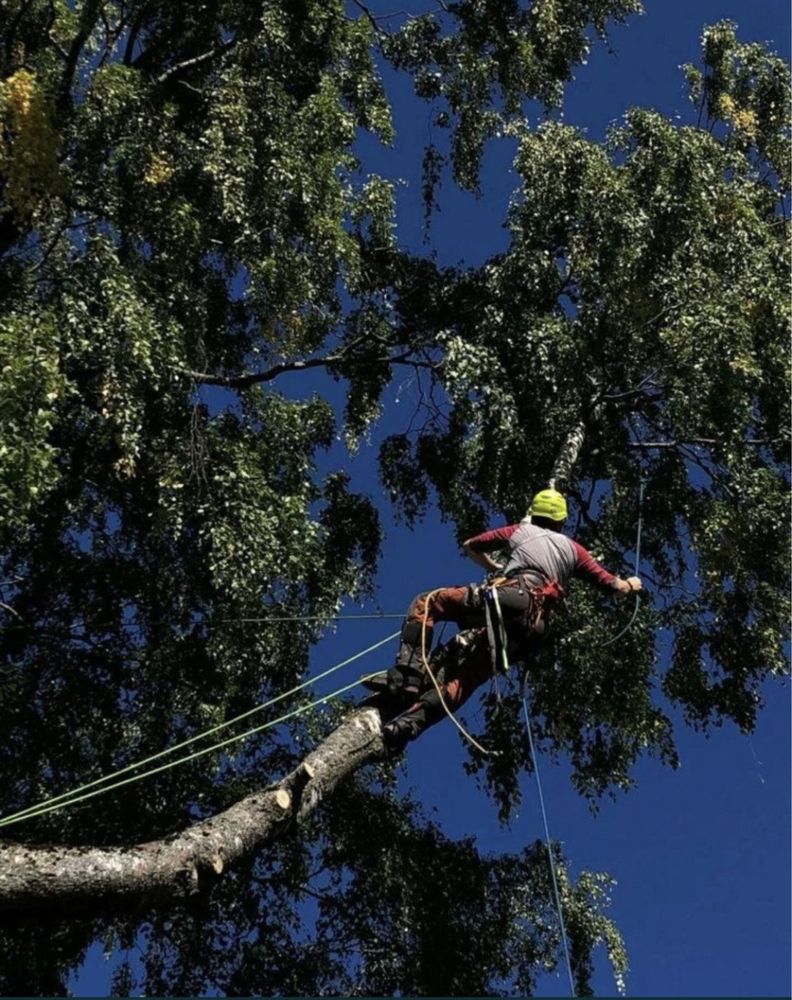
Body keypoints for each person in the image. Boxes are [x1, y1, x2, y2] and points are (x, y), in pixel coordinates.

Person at [363, 488, 643, 752]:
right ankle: (408, 725)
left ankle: (407, 674)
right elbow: (613, 587)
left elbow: (471, 545)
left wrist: (495, 568)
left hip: (511, 597)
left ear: (534, 514)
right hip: (532, 629)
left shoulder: (522, 530)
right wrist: (631, 584)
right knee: (467, 678)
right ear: (562, 520)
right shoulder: (573, 550)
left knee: (428, 602)